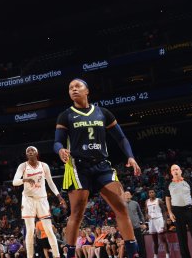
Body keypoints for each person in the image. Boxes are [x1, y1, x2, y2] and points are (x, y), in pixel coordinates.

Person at [53, 78, 142, 258]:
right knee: (77, 213)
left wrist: (130, 157)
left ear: (87, 90)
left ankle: (133, 252)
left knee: (121, 207)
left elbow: (121, 138)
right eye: (70, 88)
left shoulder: (103, 113)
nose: (73, 89)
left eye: (77, 86)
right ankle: (69, 254)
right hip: (79, 167)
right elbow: (57, 142)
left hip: (102, 166)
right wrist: (60, 150)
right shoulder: (66, 115)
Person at [11, 146, 64, 258]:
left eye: (32, 150)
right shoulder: (23, 166)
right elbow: (15, 182)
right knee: (30, 231)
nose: (30, 152)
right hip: (28, 199)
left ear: (37, 153)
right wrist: (25, 180)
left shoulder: (44, 166)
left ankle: (57, 255)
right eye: (28, 151)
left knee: (49, 230)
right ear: (26, 155)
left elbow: (50, 182)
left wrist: (59, 196)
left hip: (42, 199)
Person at [164, 164, 192, 258]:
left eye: (177, 169)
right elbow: (167, 199)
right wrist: (170, 213)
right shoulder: (168, 184)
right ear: (171, 173)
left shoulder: (188, 182)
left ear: (180, 171)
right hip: (177, 212)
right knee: (181, 238)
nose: (175, 171)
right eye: (173, 170)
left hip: (189, 210)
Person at [144, 189, 169, 258]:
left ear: (155, 193)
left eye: (152, 192)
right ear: (148, 194)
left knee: (163, 239)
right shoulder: (147, 201)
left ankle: (167, 255)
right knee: (154, 241)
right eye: (150, 192)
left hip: (159, 219)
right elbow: (146, 211)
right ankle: (155, 256)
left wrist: (165, 223)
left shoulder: (159, 201)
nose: (151, 193)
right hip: (151, 221)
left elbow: (164, 212)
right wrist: (146, 215)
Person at [123, 191, 147, 258]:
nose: (127, 195)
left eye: (128, 194)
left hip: (137, 227)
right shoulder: (122, 205)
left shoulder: (135, 203)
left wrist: (143, 223)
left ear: (131, 196)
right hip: (127, 228)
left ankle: (143, 256)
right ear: (123, 196)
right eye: (125, 194)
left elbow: (140, 214)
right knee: (129, 244)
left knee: (141, 243)